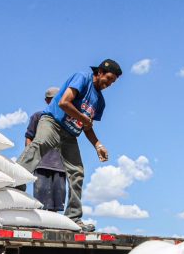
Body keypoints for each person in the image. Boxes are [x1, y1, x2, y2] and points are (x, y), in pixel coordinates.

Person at [16, 59, 122, 232]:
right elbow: (64, 102)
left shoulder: (100, 102)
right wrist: (82, 118)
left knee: (77, 171)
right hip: (53, 122)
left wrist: (98, 145)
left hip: (70, 134)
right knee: (39, 146)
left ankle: (73, 216)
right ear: (100, 72)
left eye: (113, 82)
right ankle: (14, 187)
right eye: (109, 78)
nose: (109, 84)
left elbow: (87, 127)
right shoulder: (83, 78)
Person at [25, 87, 66, 212]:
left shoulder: (66, 119)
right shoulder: (38, 116)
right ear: (46, 101)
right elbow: (29, 137)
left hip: (60, 166)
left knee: (57, 204)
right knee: (41, 202)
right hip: (41, 163)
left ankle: (53, 222)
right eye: (51, 99)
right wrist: (30, 158)